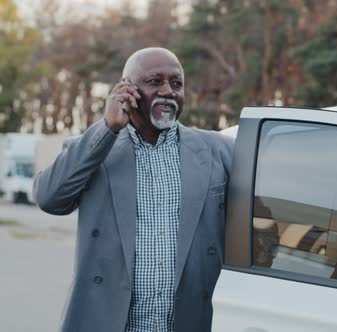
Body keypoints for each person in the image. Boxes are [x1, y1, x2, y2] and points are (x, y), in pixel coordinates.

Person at [34, 47, 234, 332]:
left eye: (176, 83)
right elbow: (49, 198)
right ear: (127, 90)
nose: (168, 91)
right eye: (155, 82)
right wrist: (107, 128)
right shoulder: (98, 148)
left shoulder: (218, 150)